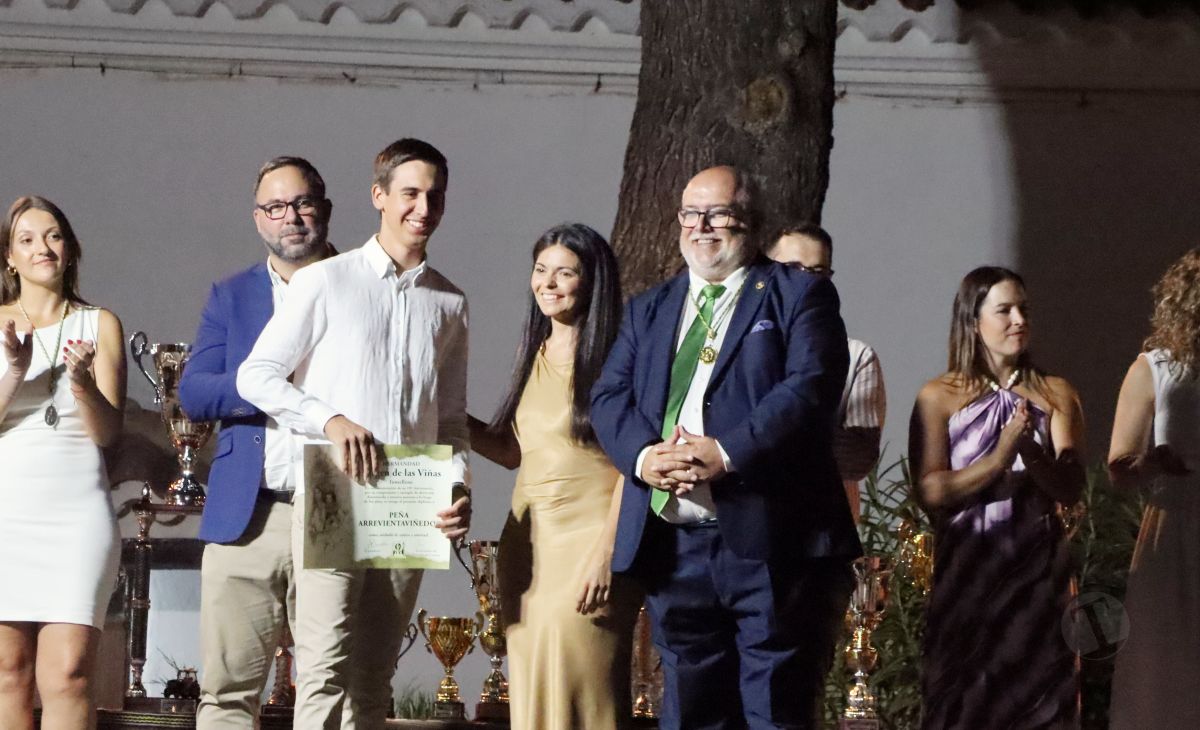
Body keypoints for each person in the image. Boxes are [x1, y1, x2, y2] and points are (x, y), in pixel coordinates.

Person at [590, 166, 860, 729]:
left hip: (770, 541)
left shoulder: (800, 294)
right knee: (689, 713)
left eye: (719, 214)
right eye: (691, 213)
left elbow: (810, 388)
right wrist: (645, 457)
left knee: (774, 712)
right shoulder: (650, 308)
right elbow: (609, 396)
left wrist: (727, 452)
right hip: (675, 542)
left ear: (751, 223)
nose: (702, 226)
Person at [236, 138, 471, 730]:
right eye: (410, 193)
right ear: (379, 196)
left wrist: (458, 484)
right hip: (335, 492)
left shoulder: (449, 301)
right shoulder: (325, 281)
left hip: (411, 494)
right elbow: (255, 375)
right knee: (322, 674)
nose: (423, 208)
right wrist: (330, 420)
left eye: (434, 196)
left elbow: (449, 420)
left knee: (374, 682)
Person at [178, 156, 334, 728]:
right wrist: (269, 386)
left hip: (335, 504)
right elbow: (194, 392)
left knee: (329, 687)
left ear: (324, 210)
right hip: (250, 510)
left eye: (302, 203)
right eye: (275, 207)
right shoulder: (232, 295)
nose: (290, 217)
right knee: (225, 694)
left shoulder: (360, 283)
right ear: (258, 219)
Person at [468, 223, 641, 729]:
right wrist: (451, 418)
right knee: (534, 700)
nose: (549, 283)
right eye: (541, 270)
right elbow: (511, 453)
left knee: (587, 698)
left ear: (593, 283)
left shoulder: (617, 358)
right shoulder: (536, 351)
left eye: (565, 273)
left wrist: (608, 556)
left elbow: (637, 463)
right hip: (528, 552)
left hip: (591, 551)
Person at [909, 266, 1084, 729]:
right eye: (1003, 310)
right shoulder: (938, 396)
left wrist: (1031, 451)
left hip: (1036, 577)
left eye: (1024, 309)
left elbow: (1070, 485)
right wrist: (1000, 456)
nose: (1018, 320)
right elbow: (930, 488)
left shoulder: (1056, 393)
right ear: (973, 321)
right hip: (970, 571)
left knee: (1037, 700)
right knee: (967, 701)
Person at [0, 196, 126, 730]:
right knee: (8, 673)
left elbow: (107, 432)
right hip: (7, 512)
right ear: (9, 257)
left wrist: (79, 384)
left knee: (70, 673)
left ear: (71, 249)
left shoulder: (100, 324)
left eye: (52, 236)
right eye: (26, 239)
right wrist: (13, 370)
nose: (41, 248)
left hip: (76, 516)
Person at [1108, 248, 1200, 730]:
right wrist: (1152, 462)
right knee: (1169, 667)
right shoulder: (1156, 368)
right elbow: (1119, 467)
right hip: (1178, 521)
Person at [766, 222, 886, 520]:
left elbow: (857, 457)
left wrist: (754, 439)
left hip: (819, 533)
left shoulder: (856, 355)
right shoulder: (736, 350)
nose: (806, 281)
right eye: (793, 267)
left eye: (818, 272)